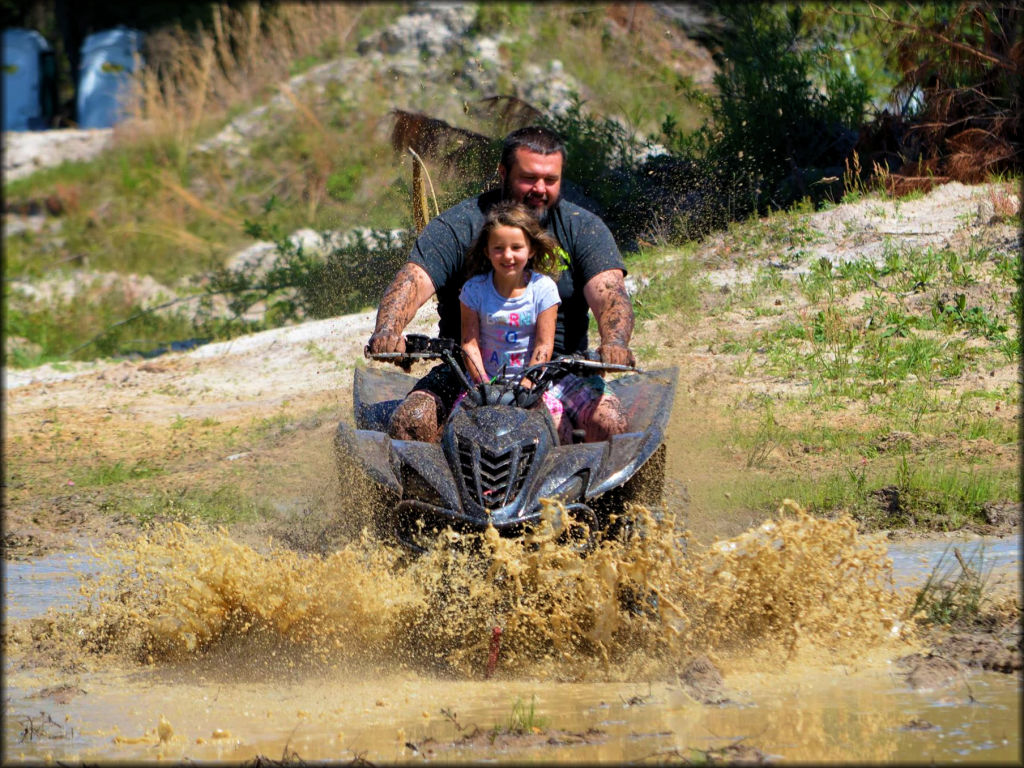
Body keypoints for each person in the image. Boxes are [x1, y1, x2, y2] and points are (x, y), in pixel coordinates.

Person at [366, 125, 633, 443]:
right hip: (465, 371)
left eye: (550, 180)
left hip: (563, 370)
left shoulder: (583, 227)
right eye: (528, 178)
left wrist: (615, 342)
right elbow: (411, 280)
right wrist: (387, 331)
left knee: (612, 424)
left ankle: (624, 496)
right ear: (503, 173)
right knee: (411, 422)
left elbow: (610, 293)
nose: (540, 189)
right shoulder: (456, 226)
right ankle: (414, 494)